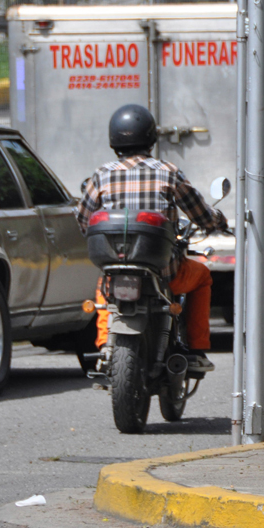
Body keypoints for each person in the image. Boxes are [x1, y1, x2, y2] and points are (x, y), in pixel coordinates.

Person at [76, 104, 228, 370]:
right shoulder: (167, 172)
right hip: (164, 273)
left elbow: (83, 220)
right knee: (202, 275)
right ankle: (196, 347)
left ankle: (103, 348)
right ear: (150, 138)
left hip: (116, 268)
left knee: (104, 288)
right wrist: (216, 221)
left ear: (114, 140)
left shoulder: (102, 175)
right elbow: (200, 214)